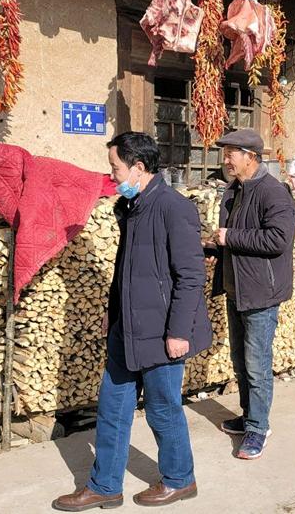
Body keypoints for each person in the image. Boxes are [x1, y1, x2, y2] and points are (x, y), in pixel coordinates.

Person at [53, 132, 212, 511]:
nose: (112, 176)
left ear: (139, 168)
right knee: (112, 409)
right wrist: (113, 310)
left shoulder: (174, 208)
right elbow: (126, 269)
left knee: (162, 410)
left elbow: (191, 277)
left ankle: (179, 479)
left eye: (116, 168)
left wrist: (178, 332)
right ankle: (105, 485)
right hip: (126, 330)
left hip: (161, 333)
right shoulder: (132, 207)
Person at [208, 128, 295, 460]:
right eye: (226, 153)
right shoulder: (235, 190)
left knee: (257, 364)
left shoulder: (273, 193)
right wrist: (215, 248)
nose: (226, 159)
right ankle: (249, 417)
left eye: (231, 153)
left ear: (251, 157)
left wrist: (230, 237)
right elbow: (235, 238)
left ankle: (259, 428)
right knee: (240, 361)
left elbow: (278, 240)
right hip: (237, 290)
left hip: (261, 294)